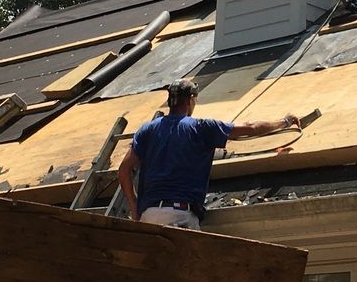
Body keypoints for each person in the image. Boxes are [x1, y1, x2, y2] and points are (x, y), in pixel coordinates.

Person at [116, 79, 299, 230]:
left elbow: (124, 170)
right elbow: (250, 128)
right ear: (191, 99)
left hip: (149, 216)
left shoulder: (147, 129)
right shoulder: (201, 128)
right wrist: (285, 121)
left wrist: (134, 209)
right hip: (181, 216)